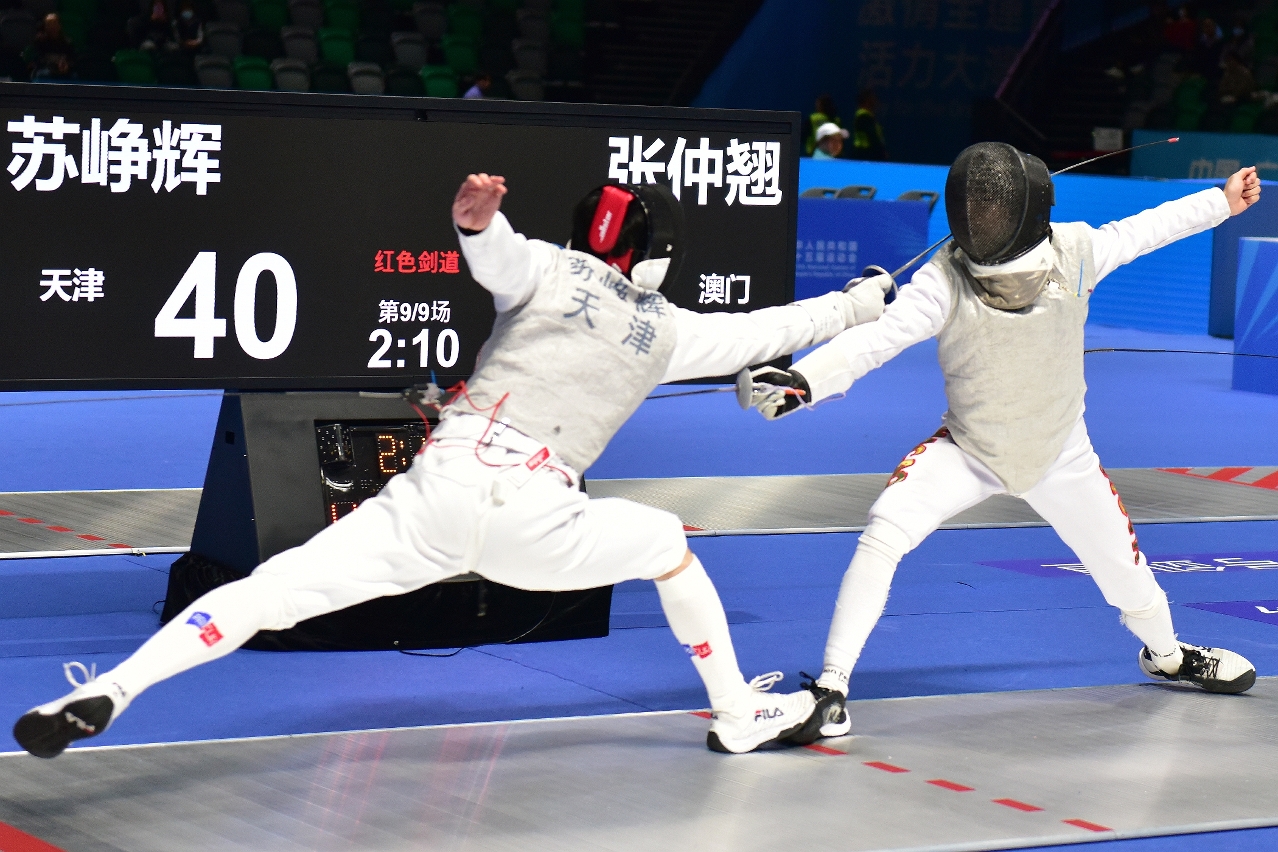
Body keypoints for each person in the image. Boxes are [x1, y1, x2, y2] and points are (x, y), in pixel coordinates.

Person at [14, 174, 894, 759]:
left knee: (268, 594)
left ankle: (113, 690)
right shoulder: (669, 331)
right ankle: (737, 714)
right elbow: (778, 328)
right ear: (657, 257)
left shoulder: (548, 270)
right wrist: (861, 301)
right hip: (538, 521)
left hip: (434, 496)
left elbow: (498, 256)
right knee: (666, 543)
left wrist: (479, 223)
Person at [743, 143, 1261, 739]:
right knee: (885, 530)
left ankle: (1167, 657)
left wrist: (1218, 202)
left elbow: (1148, 228)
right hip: (971, 450)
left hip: (1061, 454)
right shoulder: (946, 280)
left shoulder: (1075, 253)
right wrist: (806, 379)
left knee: (1124, 572)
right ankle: (831, 688)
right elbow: (877, 339)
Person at [26, 13, 74, 82]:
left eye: (54, 23)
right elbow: (36, 60)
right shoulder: (40, 42)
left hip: (63, 72)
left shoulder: (66, 43)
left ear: (59, 25)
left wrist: (67, 65)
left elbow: (72, 59)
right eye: (49, 24)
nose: (52, 27)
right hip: (45, 70)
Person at [850, 88, 886, 161]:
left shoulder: (866, 116)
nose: (875, 101)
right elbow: (872, 136)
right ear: (867, 100)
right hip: (866, 154)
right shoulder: (864, 116)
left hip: (865, 153)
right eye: (873, 98)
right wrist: (880, 152)